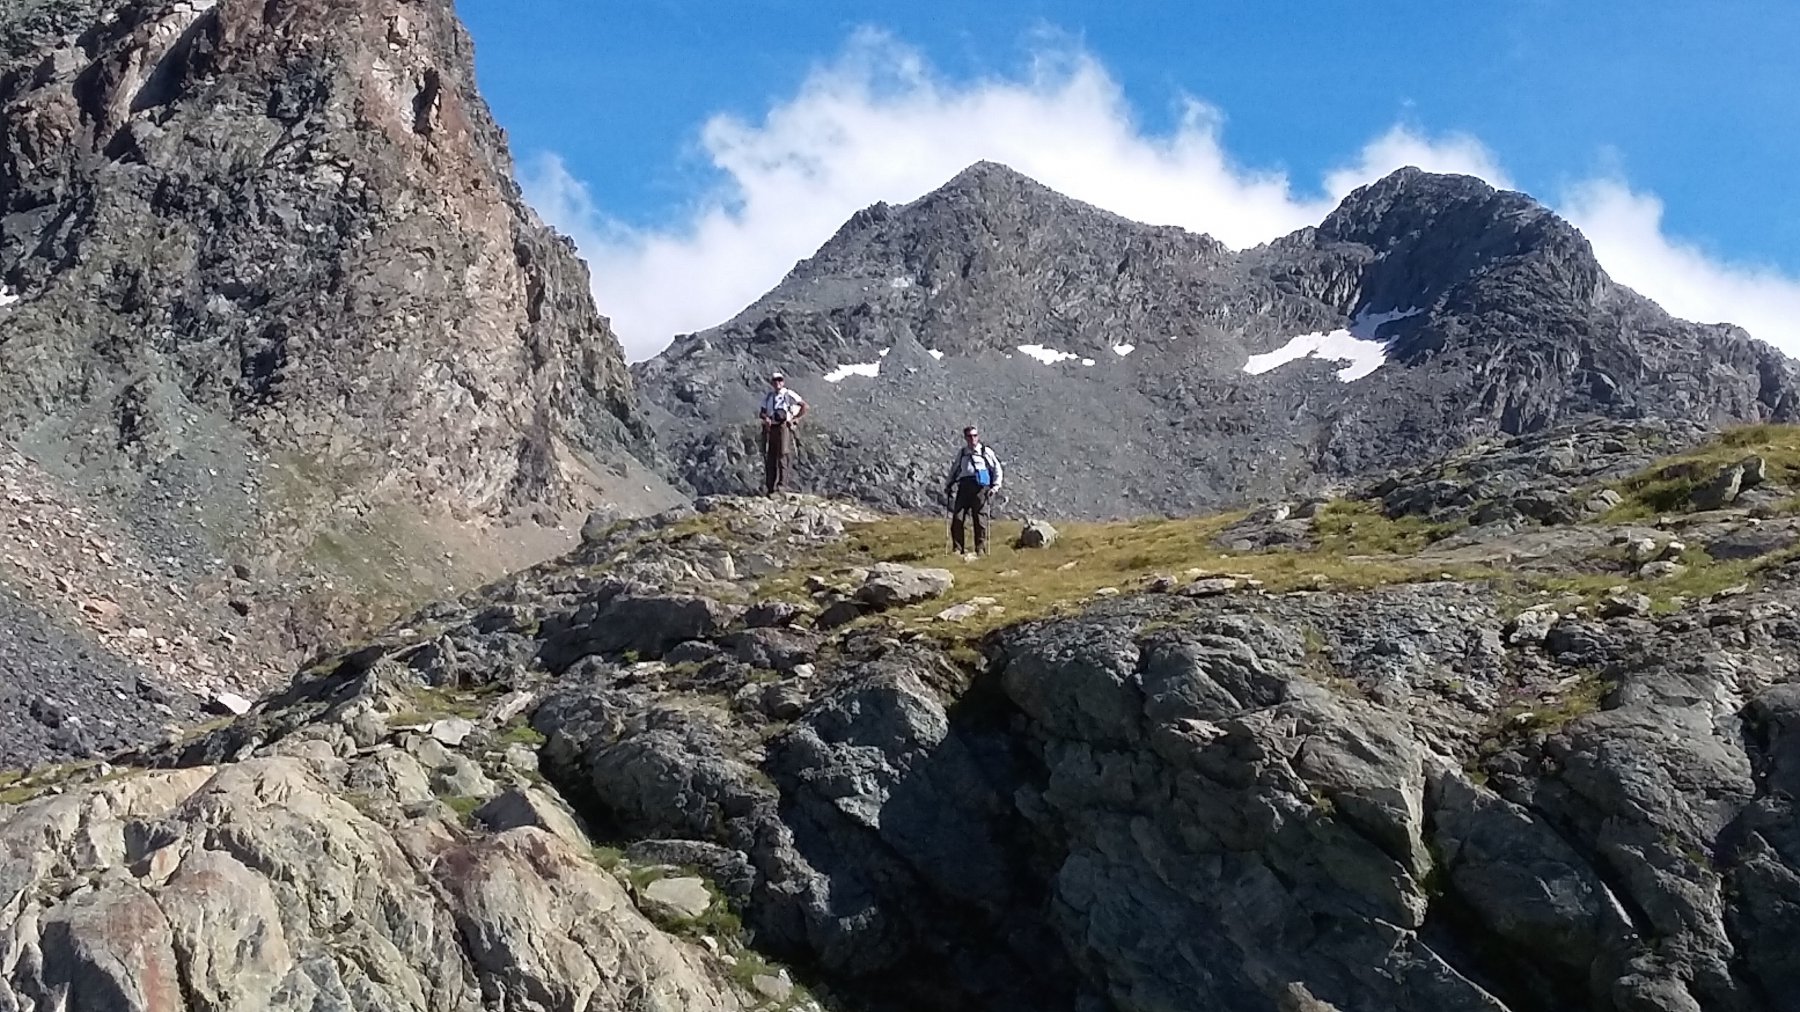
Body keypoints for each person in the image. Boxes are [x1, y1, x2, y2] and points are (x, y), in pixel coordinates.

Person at [943, 425, 1003, 556]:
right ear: (965, 438)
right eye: (970, 436)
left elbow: (997, 468)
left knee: (980, 519)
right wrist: (948, 484)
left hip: (981, 488)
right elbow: (955, 469)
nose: (972, 439)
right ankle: (958, 548)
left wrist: (995, 487)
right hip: (964, 486)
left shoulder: (985, 451)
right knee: (958, 518)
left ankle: (980, 548)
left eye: (975, 436)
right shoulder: (963, 452)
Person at [757, 371, 807, 494]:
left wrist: (795, 420)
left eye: (779, 380)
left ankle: (782, 485)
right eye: (775, 381)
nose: (777, 383)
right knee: (771, 457)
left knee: (782, 456)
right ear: (772, 383)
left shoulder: (789, 394)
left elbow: (804, 406)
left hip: (783, 426)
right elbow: (762, 412)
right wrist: (766, 418)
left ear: (783, 382)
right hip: (771, 427)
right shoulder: (768, 396)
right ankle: (770, 487)